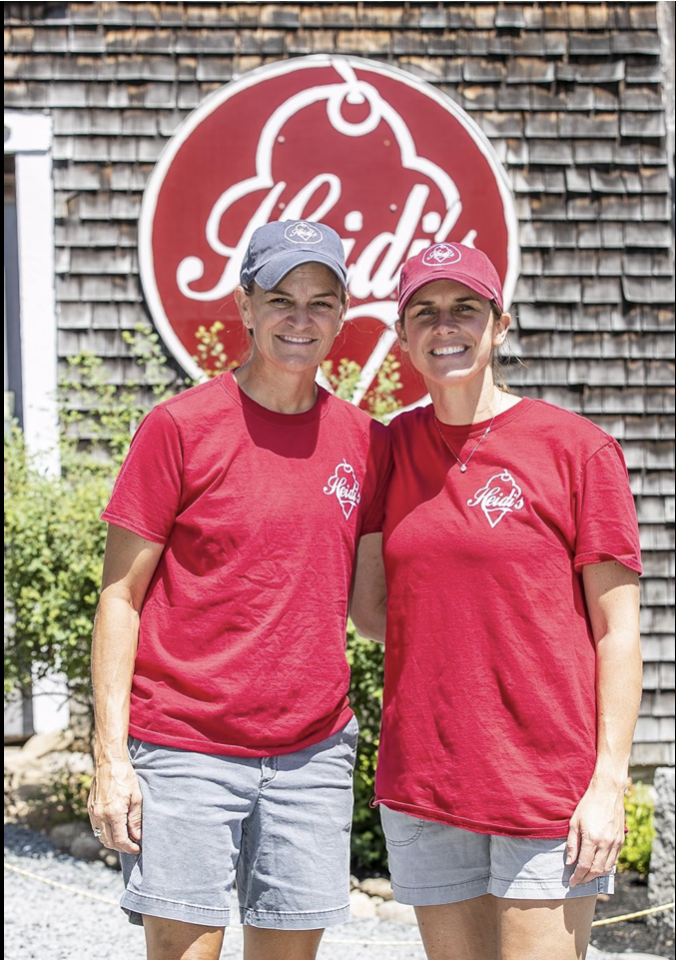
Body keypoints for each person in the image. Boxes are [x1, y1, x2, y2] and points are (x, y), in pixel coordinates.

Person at [88, 220, 391, 960]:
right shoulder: (179, 429)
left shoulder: (366, 441)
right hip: (186, 746)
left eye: (321, 302)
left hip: (312, 753)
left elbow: (375, 611)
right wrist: (109, 759)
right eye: (281, 299)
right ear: (245, 307)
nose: (301, 319)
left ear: (343, 314)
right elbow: (120, 599)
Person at [351, 243, 642, 960]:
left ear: (499, 324)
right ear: (402, 334)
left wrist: (609, 781)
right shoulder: (388, 449)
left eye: (465, 309)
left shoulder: (576, 450)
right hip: (426, 776)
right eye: (425, 311)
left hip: (545, 782)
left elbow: (619, 631)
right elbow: (371, 611)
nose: (444, 326)